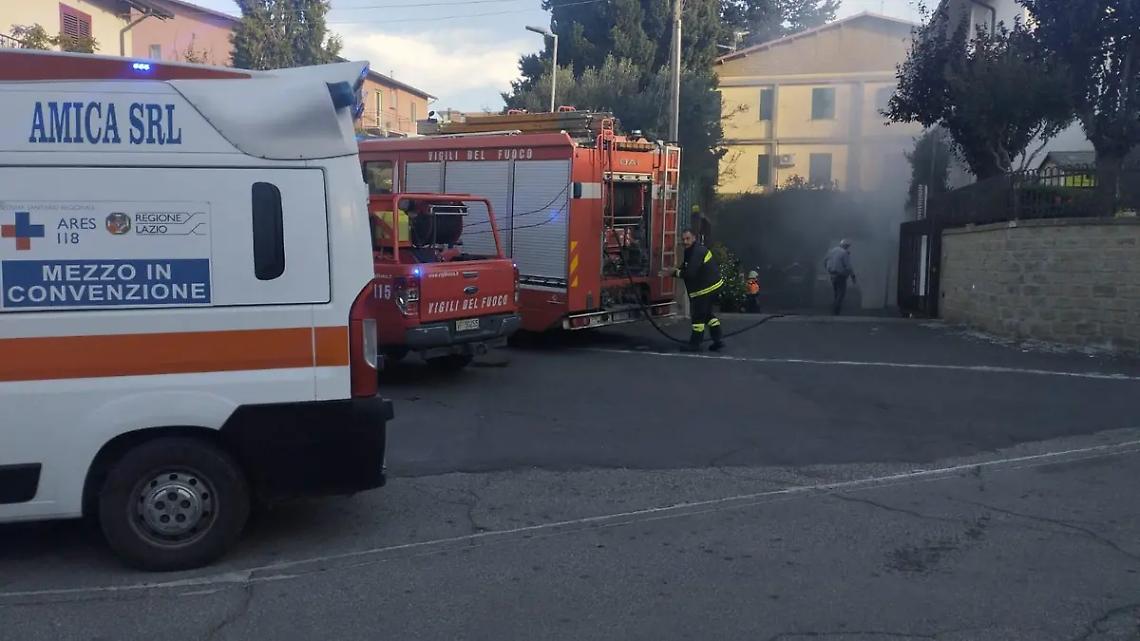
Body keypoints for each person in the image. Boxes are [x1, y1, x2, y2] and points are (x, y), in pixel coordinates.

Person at [661, 229, 725, 352]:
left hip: (705, 288)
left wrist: (674, 272)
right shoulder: (691, 250)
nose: (685, 241)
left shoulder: (696, 252)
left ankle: (695, 344)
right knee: (707, 315)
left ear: (694, 238)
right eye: (683, 239)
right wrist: (674, 271)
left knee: (698, 317)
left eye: (688, 239)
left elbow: (690, 273)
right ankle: (718, 340)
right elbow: (686, 267)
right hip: (712, 286)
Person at [823, 239, 857, 315]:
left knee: (836, 293)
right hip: (840, 275)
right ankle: (835, 310)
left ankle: (834, 310)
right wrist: (853, 276)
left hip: (832, 275)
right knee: (841, 293)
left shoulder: (831, 251)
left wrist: (828, 270)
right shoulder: (844, 253)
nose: (848, 248)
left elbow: (825, 261)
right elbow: (848, 267)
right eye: (847, 246)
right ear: (845, 246)